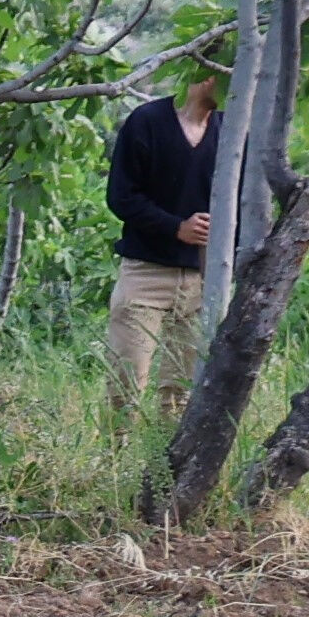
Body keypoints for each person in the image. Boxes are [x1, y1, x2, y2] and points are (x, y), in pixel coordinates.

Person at [106, 62, 226, 400]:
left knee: (181, 391)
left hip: (205, 279)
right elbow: (120, 196)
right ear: (207, 73)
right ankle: (117, 453)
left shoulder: (231, 130)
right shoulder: (147, 122)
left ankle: (168, 454)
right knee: (125, 383)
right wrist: (176, 228)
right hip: (146, 274)